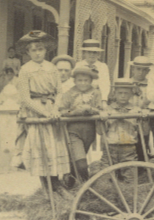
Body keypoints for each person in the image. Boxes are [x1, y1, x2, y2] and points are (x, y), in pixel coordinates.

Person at [14, 31, 70, 191]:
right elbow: (25, 98)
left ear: (46, 50)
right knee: (41, 148)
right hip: (36, 111)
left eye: (40, 49)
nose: (37, 53)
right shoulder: (25, 70)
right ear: (27, 52)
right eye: (33, 50)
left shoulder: (52, 68)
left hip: (53, 110)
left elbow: (59, 92)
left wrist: (55, 109)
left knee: (54, 146)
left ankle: (57, 184)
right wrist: (45, 113)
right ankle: (47, 186)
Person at [58, 65, 104, 183]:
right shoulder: (69, 94)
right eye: (80, 80)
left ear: (91, 81)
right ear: (74, 81)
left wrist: (91, 109)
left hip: (89, 132)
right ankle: (87, 186)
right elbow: (63, 111)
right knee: (81, 164)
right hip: (73, 131)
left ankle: (71, 185)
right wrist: (73, 112)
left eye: (86, 80)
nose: (83, 83)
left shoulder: (96, 93)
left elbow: (100, 109)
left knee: (76, 162)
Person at [98, 78, 142, 168]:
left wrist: (144, 118)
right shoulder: (107, 110)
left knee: (130, 175)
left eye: (126, 93)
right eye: (120, 93)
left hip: (128, 148)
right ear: (114, 94)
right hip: (110, 148)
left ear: (131, 94)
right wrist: (101, 119)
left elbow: (143, 131)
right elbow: (100, 131)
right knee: (106, 175)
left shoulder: (136, 110)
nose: (123, 96)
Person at [128, 55, 154, 160]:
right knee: (127, 146)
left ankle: (142, 170)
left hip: (144, 121)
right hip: (128, 121)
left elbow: (153, 100)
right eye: (138, 69)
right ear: (133, 69)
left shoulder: (151, 85)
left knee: (142, 145)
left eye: (144, 70)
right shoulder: (126, 83)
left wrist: (147, 109)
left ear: (148, 71)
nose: (140, 72)